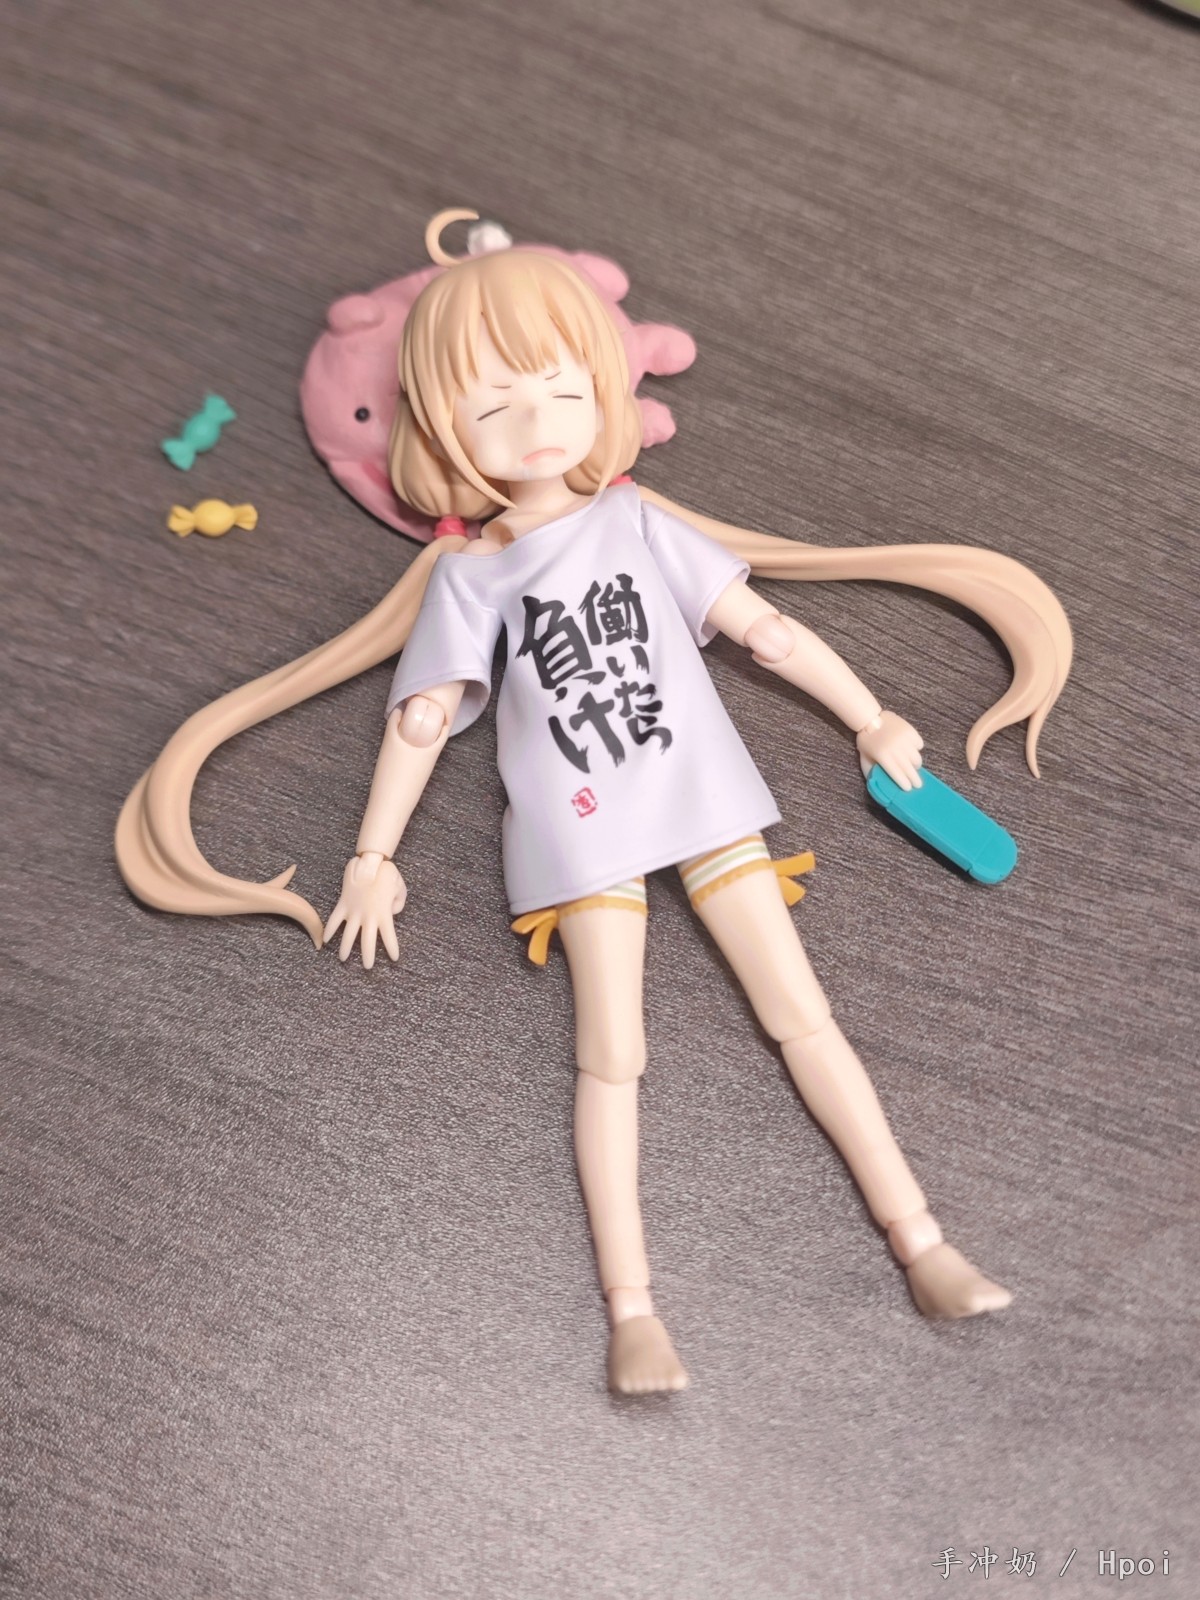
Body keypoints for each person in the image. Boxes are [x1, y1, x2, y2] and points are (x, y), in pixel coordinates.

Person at [116, 210, 1072, 1395]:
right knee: (612, 1055)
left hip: (700, 796)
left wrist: (868, 711)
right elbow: (420, 720)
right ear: (441, 429)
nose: (535, 419)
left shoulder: (638, 520)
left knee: (802, 1013)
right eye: (493, 403)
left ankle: (924, 1244)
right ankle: (633, 1312)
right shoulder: (469, 577)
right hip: (580, 829)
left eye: (561, 385)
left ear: (602, 386)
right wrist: (371, 852)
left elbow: (766, 630)